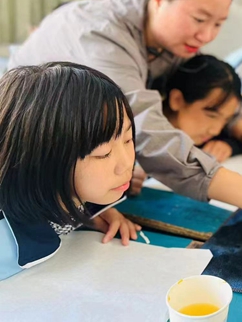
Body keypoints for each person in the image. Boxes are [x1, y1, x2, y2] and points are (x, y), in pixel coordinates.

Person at [8, 0, 242, 229]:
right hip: (25, 183)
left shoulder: (168, 39)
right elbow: (145, 130)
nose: (207, 35)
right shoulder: (101, 36)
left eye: (218, 24)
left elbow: (202, 88)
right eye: (199, 19)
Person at [0, 63, 142, 281]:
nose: (126, 164)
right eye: (103, 153)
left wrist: (94, 211)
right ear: (41, 160)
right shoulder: (6, 243)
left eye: (128, 139)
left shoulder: (73, 194)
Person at [163, 54, 242, 162]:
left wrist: (228, 146)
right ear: (177, 100)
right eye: (212, 116)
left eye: (226, 119)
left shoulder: (198, 137)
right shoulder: (141, 137)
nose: (215, 130)